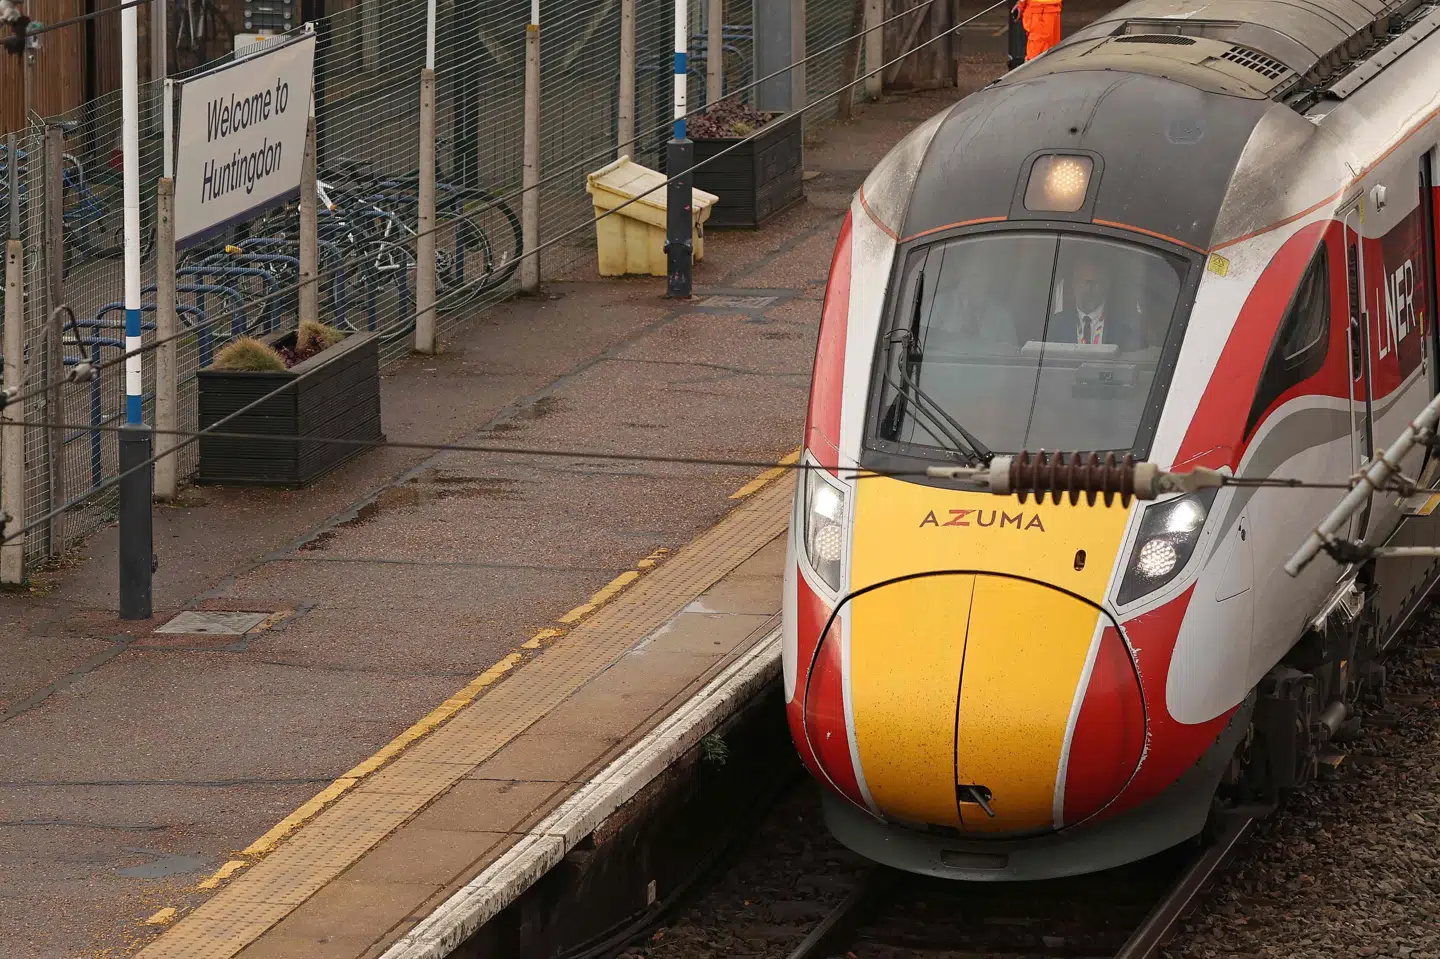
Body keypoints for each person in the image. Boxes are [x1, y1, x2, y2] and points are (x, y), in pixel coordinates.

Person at [1045, 250, 1145, 351]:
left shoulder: (1125, 326)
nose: (1088, 290)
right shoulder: (1055, 325)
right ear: (1073, 284)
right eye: (1083, 283)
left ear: (1106, 285)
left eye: (1096, 283)